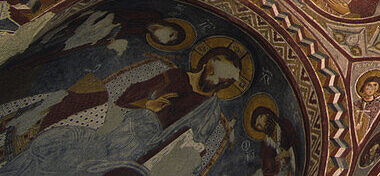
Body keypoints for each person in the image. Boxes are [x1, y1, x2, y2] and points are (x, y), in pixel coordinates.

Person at [0, 46, 242, 174]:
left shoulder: (210, 113)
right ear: (207, 64)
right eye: (217, 72)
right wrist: (147, 105)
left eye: (226, 80)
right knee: (52, 142)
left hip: (139, 154)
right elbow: (125, 97)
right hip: (118, 132)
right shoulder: (171, 74)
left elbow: (192, 153)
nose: (218, 80)